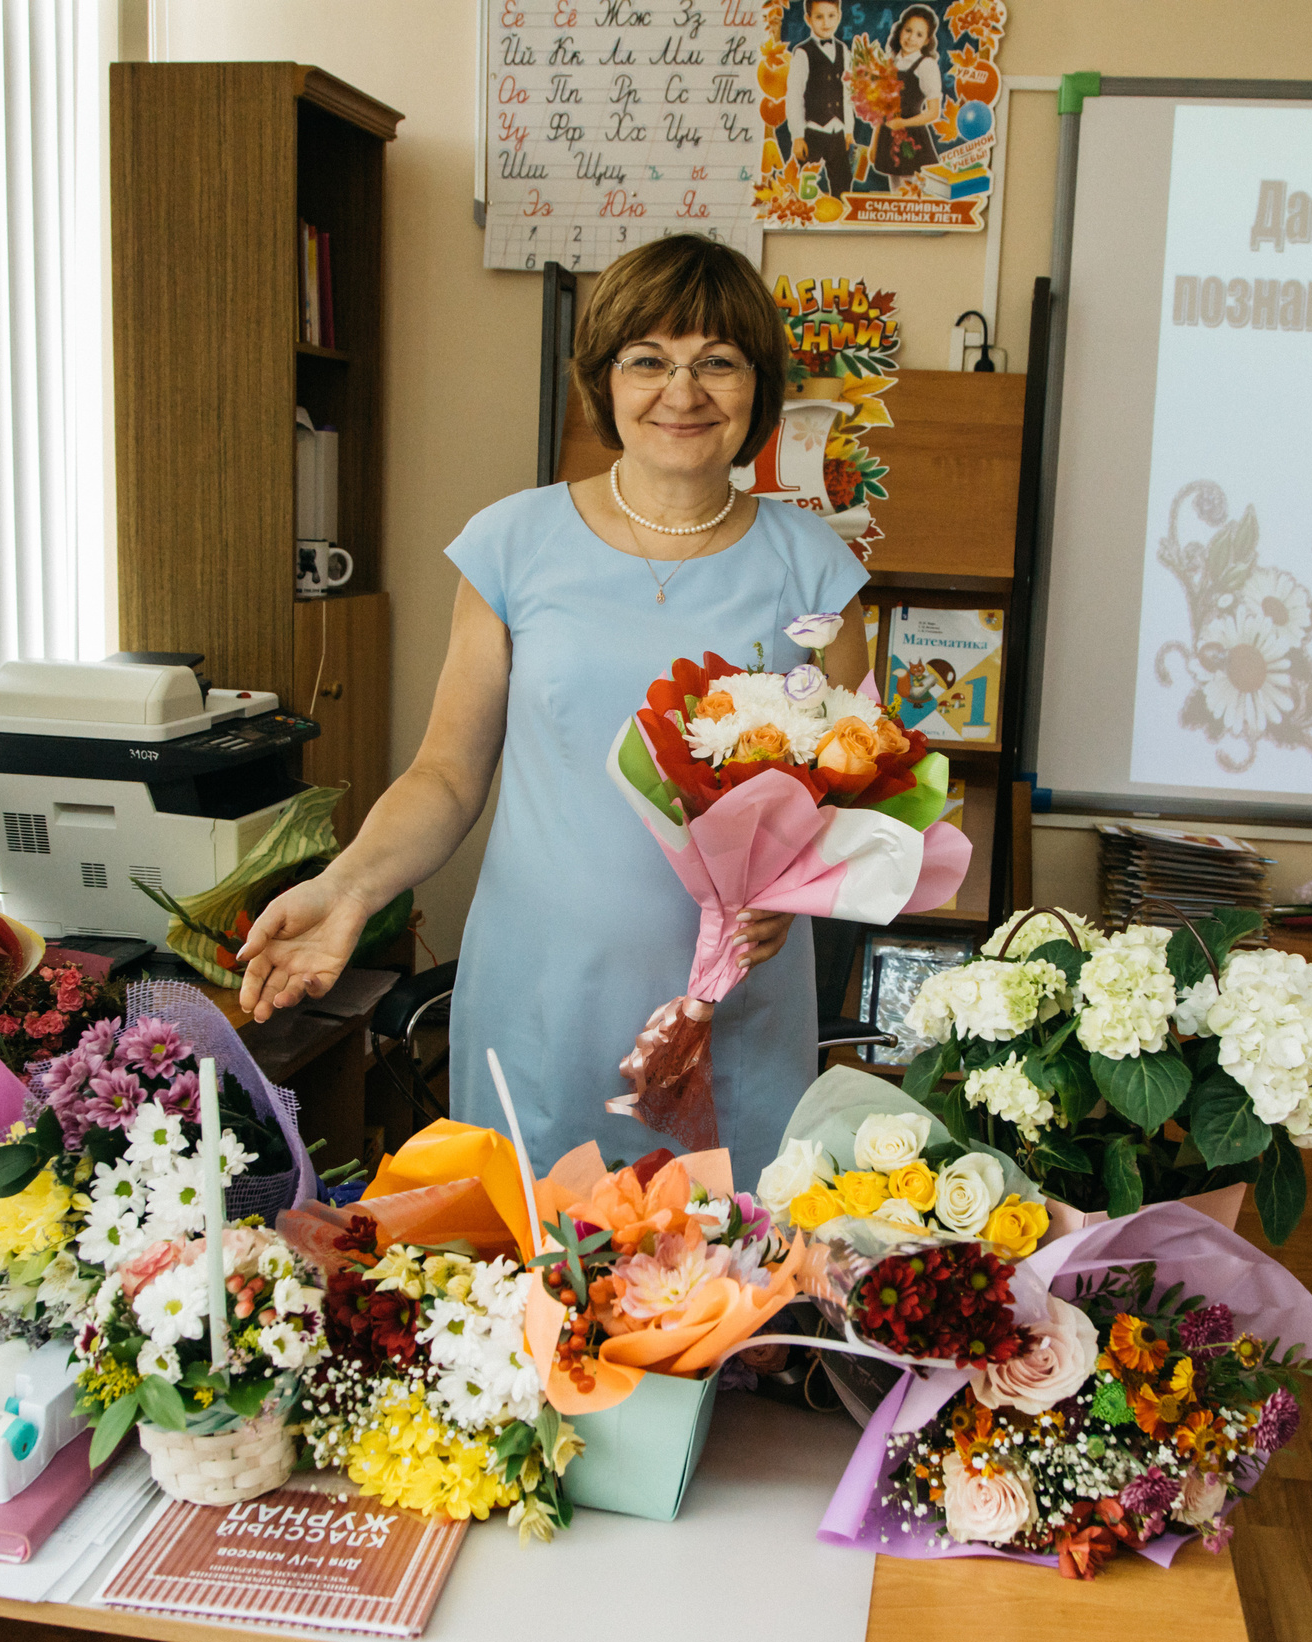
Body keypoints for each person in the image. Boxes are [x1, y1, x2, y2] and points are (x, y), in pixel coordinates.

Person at [235, 235, 869, 1179]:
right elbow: (447, 776)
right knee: (526, 1289)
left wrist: (793, 884)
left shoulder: (815, 567)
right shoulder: (514, 544)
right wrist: (350, 887)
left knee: (726, 1294)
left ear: (757, 387)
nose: (682, 391)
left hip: (732, 1010)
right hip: (540, 997)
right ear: (604, 380)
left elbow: (853, 791)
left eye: (718, 363)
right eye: (648, 359)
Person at [783, 0, 854, 201]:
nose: (826, 22)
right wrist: (797, 135)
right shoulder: (803, 52)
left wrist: (849, 129)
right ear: (808, 19)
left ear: (839, 16)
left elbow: (847, 92)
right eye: (819, 17)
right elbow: (794, 95)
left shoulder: (843, 50)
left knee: (843, 183)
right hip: (813, 131)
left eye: (831, 16)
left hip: (838, 132)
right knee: (803, 184)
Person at [875, 4, 943, 193]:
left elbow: (933, 112)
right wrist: (873, 144)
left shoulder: (926, 65)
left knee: (916, 195)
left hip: (913, 139)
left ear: (927, 40)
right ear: (900, 30)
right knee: (896, 192)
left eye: (919, 35)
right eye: (908, 30)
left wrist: (903, 122)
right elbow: (882, 109)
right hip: (887, 136)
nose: (911, 38)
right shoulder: (891, 61)